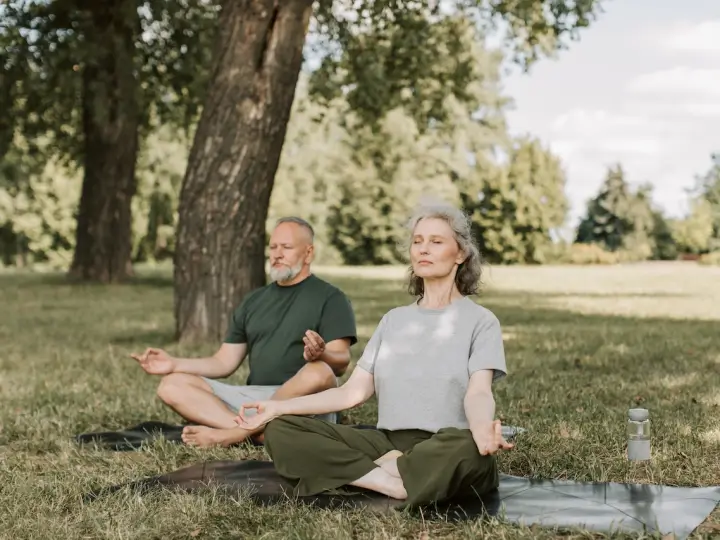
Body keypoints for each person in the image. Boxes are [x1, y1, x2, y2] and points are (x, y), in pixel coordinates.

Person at [235, 201, 513, 508]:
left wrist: (482, 429)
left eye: (436, 242)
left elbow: (478, 393)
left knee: (471, 452)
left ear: (460, 253)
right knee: (283, 429)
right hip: (387, 444)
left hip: (445, 443)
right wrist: (277, 408)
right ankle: (388, 481)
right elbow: (351, 393)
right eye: (417, 241)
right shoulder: (393, 320)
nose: (423, 249)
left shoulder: (481, 321)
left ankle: (374, 471)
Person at [130, 217, 358, 448]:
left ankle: (232, 435)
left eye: (286, 247)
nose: (277, 254)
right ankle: (257, 434)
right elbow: (223, 362)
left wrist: (322, 354)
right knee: (171, 385)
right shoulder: (254, 301)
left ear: (308, 253)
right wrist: (173, 364)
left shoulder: (331, 298)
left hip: (304, 401)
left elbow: (340, 364)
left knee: (319, 371)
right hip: (256, 401)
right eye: (273, 247)